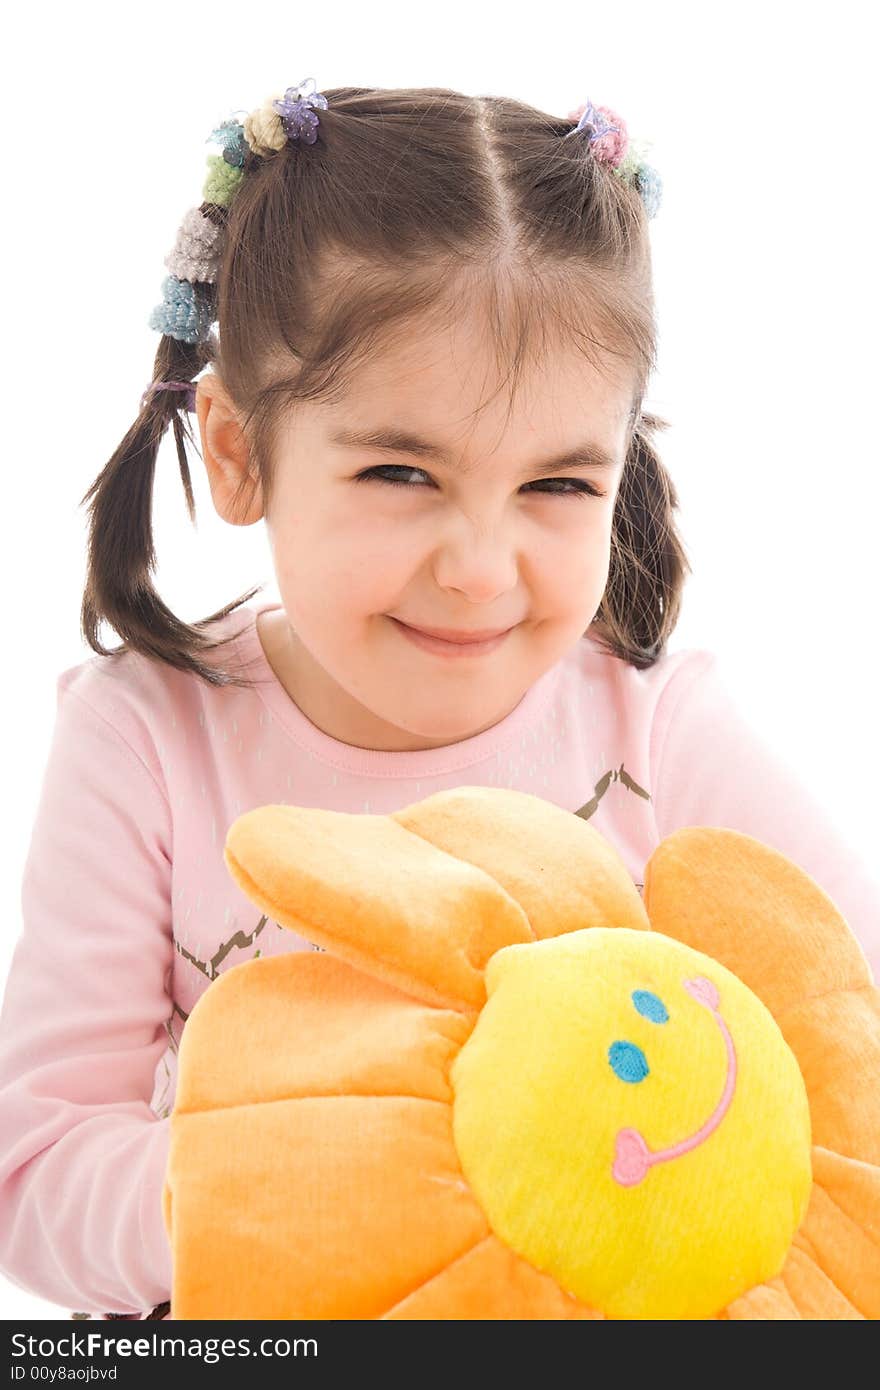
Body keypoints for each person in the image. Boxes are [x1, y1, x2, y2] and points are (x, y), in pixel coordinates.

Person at [0, 79, 877, 1323]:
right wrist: (306, 1186)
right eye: (401, 471)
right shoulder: (144, 739)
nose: (479, 565)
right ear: (241, 452)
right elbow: (35, 1169)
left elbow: (852, 1039)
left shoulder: (657, 733)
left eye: (559, 486)